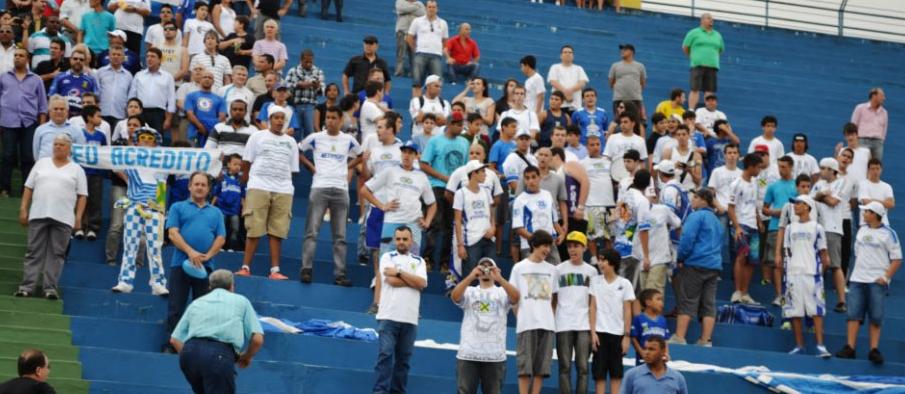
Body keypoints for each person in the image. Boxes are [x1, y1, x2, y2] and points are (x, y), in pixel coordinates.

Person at [14, 134, 85, 300]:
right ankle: (26, 287)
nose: (58, 147)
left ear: (69, 148)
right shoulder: (41, 163)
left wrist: (78, 217)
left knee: (57, 253)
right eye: (56, 144)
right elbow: (28, 187)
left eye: (61, 145)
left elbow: (82, 195)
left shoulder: (77, 169)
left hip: (64, 217)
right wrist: (23, 209)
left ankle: (50, 288)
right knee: (33, 251)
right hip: (38, 213)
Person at [169, 270, 265, 394]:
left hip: (189, 354)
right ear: (232, 286)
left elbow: (174, 339)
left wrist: (193, 355)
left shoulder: (197, 302)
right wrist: (246, 357)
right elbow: (257, 339)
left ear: (210, 287)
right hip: (219, 354)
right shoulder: (241, 301)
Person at [298, 106, 362, 286]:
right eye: (328, 117)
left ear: (341, 120)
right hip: (320, 186)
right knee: (312, 231)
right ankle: (306, 269)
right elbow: (299, 150)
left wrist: (347, 167)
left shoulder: (348, 139)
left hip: (341, 189)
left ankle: (340, 274)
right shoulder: (316, 137)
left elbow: (361, 155)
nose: (330, 121)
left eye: (334, 118)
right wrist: (311, 168)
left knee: (340, 236)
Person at [164, 172, 226, 351]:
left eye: (203, 185)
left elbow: (221, 238)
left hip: (205, 267)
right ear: (189, 186)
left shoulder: (216, 212)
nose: (199, 187)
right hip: (180, 265)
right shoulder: (178, 207)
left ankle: (197, 346)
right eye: (196, 184)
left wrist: (208, 256)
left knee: (203, 308)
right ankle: (172, 345)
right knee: (176, 306)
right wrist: (190, 252)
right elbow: (172, 233)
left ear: (208, 189)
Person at [235, 106, 299, 280]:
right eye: (276, 117)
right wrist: (248, 181)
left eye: (282, 118)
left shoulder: (291, 142)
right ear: (270, 119)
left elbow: (292, 168)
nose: (279, 121)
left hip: (283, 189)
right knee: (254, 227)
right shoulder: (257, 136)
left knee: (277, 230)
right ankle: (245, 267)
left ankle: (275, 270)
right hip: (259, 186)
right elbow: (246, 161)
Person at [835, 201, 901, 365]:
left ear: (875, 215)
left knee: (876, 316)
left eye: (867, 212)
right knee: (853, 315)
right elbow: (857, 252)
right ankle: (850, 347)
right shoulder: (861, 230)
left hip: (876, 281)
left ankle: (873, 349)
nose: (863, 214)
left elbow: (897, 258)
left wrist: (885, 277)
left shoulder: (889, 233)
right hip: (858, 278)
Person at [108, 128, 169, 296]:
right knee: (130, 245)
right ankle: (125, 281)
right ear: (137, 141)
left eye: (150, 139)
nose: (146, 141)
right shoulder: (130, 161)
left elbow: (162, 188)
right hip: (134, 207)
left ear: (155, 143)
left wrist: (161, 209)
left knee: (155, 247)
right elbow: (112, 163)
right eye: (143, 138)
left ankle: (158, 283)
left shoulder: (162, 163)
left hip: (154, 209)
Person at [372, 226, 428, 394]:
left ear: (411, 241)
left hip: (410, 318)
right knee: (385, 356)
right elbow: (391, 281)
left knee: (404, 361)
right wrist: (412, 281)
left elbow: (423, 284)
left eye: (405, 239)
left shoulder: (419, 261)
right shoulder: (387, 257)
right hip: (388, 315)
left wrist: (399, 272)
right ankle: (380, 391)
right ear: (395, 240)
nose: (401, 242)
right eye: (398, 239)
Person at [451, 257, 519, 394]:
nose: (486, 269)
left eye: (490, 266)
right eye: (482, 266)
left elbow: (516, 297)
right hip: (468, 355)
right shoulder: (470, 291)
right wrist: (471, 277)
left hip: (495, 356)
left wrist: (500, 279)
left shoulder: (501, 292)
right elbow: (455, 296)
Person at [780, 195, 832, 358]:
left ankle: (820, 346)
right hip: (793, 274)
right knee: (794, 312)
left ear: (807, 206)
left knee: (816, 311)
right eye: (794, 203)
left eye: (799, 203)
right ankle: (799, 345)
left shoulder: (817, 228)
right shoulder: (790, 228)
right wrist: (787, 273)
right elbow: (787, 252)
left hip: (812, 274)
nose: (795, 206)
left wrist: (820, 274)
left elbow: (824, 255)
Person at [671, 188, 722, 346]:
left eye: (695, 198)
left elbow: (687, 239)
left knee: (687, 300)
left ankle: (679, 337)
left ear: (703, 200)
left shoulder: (696, 216)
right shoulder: (716, 220)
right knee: (709, 304)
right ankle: (705, 340)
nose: (692, 201)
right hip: (714, 266)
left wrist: (680, 257)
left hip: (695, 264)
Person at [509, 230, 557, 394]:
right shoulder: (519, 267)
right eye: (544, 246)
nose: (547, 250)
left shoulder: (552, 269)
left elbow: (554, 298)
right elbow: (513, 297)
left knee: (541, 368)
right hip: (526, 324)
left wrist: (549, 316)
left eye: (549, 247)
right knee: (524, 367)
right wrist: (521, 316)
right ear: (534, 245)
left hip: (547, 325)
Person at [419, 111, 468, 269]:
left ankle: (445, 261)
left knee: (449, 226)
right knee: (435, 223)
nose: (461, 128)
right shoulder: (435, 141)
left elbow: (465, 167)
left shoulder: (464, 143)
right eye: (458, 125)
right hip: (437, 186)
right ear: (449, 124)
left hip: (456, 190)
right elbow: (424, 164)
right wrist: (444, 178)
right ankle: (427, 258)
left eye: (462, 125)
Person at [0, 48, 48, 197]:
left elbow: (42, 105)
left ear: (27, 59)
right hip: (8, 122)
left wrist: (41, 126)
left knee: (27, 157)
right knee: (7, 156)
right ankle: (5, 188)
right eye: (15, 55)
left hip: (30, 123)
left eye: (21, 55)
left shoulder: (36, 79)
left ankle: (26, 189)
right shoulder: (3, 77)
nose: (17, 58)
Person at [554, 231, 597, 394]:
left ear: (584, 248)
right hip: (563, 323)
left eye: (576, 246)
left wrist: (593, 329)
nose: (573, 250)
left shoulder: (592, 271)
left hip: (584, 324)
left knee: (583, 367)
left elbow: (594, 302)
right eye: (570, 246)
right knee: (564, 367)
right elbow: (554, 298)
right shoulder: (558, 269)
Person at [589, 247, 635, 394]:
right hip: (600, 334)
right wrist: (593, 333)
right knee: (599, 375)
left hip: (618, 335)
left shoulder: (625, 283)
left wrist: (626, 337)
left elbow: (628, 311)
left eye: (604, 260)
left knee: (616, 374)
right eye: (600, 260)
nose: (601, 263)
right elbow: (593, 308)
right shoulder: (595, 281)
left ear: (613, 262)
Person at [811, 158, 849, 312]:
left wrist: (821, 196)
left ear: (833, 170)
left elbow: (833, 202)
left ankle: (841, 301)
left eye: (825, 168)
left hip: (833, 229)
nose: (822, 171)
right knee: (818, 264)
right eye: (821, 168)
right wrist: (821, 196)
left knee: (835, 265)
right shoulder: (819, 184)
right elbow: (812, 199)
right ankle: (814, 296)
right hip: (817, 227)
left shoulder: (841, 183)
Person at [728, 153, 763, 305]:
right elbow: (730, 208)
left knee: (753, 261)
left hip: (753, 225)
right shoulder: (736, 183)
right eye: (759, 167)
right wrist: (736, 227)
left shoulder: (755, 182)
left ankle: (745, 292)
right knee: (741, 256)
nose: (760, 170)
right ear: (751, 166)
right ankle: (737, 292)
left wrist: (758, 220)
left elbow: (754, 204)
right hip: (741, 224)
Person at [452, 160, 496, 276]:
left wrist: (493, 228)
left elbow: (491, 213)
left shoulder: (486, 191)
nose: (485, 174)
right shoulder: (460, 193)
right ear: (473, 174)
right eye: (482, 171)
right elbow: (457, 220)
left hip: (488, 239)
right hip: (471, 240)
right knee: (471, 277)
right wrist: (460, 245)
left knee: (489, 275)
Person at [513, 166, 565, 263]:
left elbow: (554, 221)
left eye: (533, 177)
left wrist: (562, 234)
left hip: (550, 244)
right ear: (524, 180)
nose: (531, 181)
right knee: (532, 276)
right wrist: (537, 241)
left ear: (539, 178)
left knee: (555, 273)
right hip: (530, 245)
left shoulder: (547, 195)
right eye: (527, 178)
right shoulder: (520, 200)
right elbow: (518, 228)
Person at [75, 105, 106, 241]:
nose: (101, 119)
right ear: (89, 117)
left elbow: (105, 153)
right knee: (80, 199)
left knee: (95, 200)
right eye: (98, 116)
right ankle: (78, 226)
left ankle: (93, 228)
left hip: (96, 173)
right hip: (81, 172)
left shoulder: (101, 135)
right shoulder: (79, 133)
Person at [128, 48, 176, 135]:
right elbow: (132, 96)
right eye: (147, 56)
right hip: (141, 112)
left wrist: (168, 119)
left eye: (153, 56)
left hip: (159, 114)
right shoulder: (139, 75)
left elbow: (171, 99)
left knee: (156, 140)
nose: (149, 59)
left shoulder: (168, 77)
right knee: (138, 138)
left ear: (160, 60)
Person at [682, 13, 724, 110]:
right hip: (697, 65)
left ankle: (708, 109)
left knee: (710, 90)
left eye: (712, 19)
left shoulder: (717, 35)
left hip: (712, 66)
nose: (711, 20)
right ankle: (691, 109)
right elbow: (685, 47)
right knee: (695, 88)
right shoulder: (694, 33)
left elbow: (720, 50)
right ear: (702, 20)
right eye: (709, 18)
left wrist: (711, 58)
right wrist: (693, 58)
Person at [406, 0, 447, 97]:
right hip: (420, 54)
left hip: (436, 55)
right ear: (425, 8)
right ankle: (416, 105)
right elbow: (409, 37)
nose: (431, 9)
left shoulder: (443, 23)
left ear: (437, 9)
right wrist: (415, 49)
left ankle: (435, 106)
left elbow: (445, 40)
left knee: (437, 83)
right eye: (429, 7)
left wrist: (440, 49)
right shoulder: (417, 21)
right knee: (417, 82)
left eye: (433, 7)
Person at [621, 336, 688, 394]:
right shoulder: (631, 375)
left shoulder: (678, 378)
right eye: (645, 348)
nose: (647, 352)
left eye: (651, 349)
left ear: (663, 351)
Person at [33, 96, 86, 160]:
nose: (59, 111)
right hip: (45, 168)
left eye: (62, 109)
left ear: (67, 111)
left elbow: (82, 154)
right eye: (55, 109)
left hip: (69, 168)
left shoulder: (76, 130)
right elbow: (36, 154)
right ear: (49, 111)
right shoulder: (40, 130)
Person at [285, 49, 324, 138]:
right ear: (301, 60)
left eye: (310, 62)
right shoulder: (293, 71)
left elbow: (323, 89)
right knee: (296, 130)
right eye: (306, 62)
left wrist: (317, 87)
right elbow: (286, 86)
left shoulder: (318, 71)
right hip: (295, 105)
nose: (309, 64)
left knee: (309, 130)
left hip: (311, 106)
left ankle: (308, 151)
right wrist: (298, 84)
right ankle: (296, 150)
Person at [48, 49, 97, 117]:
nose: (78, 61)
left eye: (81, 59)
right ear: (70, 60)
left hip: (82, 117)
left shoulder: (91, 80)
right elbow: (52, 97)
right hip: (63, 116)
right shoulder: (60, 77)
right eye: (75, 59)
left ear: (85, 62)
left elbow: (95, 101)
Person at [212, 155, 246, 251]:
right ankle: (220, 247)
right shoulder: (222, 178)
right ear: (228, 164)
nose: (237, 167)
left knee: (235, 229)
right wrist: (211, 205)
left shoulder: (241, 180)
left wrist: (244, 208)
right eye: (235, 164)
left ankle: (231, 247)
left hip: (235, 211)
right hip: (222, 209)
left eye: (239, 165)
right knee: (221, 229)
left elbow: (243, 196)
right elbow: (216, 194)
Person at [185, 70, 226, 147]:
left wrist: (210, 129)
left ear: (213, 82)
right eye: (205, 77)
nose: (207, 79)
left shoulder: (220, 99)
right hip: (194, 132)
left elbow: (222, 117)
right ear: (200, 80)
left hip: (212, 134)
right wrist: (200, 127)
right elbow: (189, 114)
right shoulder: (191, 96)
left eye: (210, 78)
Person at [630, 289, 670, 366]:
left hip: (659, 361)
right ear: (648, 302)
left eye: (662, 300)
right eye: (658, 299)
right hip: (643, 360)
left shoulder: (663, 320)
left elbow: (665, 339)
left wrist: (666, 353)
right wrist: (641, 352)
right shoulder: (639, 319)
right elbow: (634, 338)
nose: (661, 303)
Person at [608, 43, 646, 119]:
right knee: (619, 120)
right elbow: (611, 82)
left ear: (631, 52)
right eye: (621, 50)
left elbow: (643, 82)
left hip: (635, 99)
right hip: (619, 99)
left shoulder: (640, 66)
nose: (622, 51)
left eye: (625, 50)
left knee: (636, 121)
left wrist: (635, 92)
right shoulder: (615, 65)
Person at [547, 45, 588, 114]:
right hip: (559, 106)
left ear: (573, 56)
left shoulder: (579, 68)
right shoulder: (555, 67)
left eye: (570, 52)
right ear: (561, 55)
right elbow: (553, 82)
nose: (567, 54)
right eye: (565, 52)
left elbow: (582, 82)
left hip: (575, 106)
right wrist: (566, 93)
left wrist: (570, 91)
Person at [96, 45, 132, 123]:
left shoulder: (128, 76)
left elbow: (130, 96)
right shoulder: (100, 72)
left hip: (120, 115)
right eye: (113, 54)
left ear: (123, 58)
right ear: (109, 56)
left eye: (118, 55)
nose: (116, 57)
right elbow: (96, 93)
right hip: (101, 114)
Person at [850, 87, 887, 160]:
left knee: (876, 166)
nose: (884, 98)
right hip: (862, 141)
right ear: (874, 96)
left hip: (877, 143)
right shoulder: (860, 108)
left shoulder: (884, 112)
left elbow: (884, 128)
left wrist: (881, 140)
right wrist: (854, 140)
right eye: (882, 96)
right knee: (861, 163)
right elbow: (853, 125)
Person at [409, 74, 450, 138]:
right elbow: (418, 119)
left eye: (440, 87)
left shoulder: (445, 103)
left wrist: (425, 115)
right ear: (428, 86)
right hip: (419, 139)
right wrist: (437, 117)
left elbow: (445, 122)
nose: (439, 89)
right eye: (436, 86)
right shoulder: (416, 101)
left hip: (437, 140)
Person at [858, 159, 894, 226]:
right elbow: (866, 202)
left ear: (881, 170)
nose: (875, 171)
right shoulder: (863, 184)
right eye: (872, 169)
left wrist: (872, 200)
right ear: (868, 170)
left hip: (883, 223)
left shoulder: (887, 186)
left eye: (877, 168)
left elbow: (891, 204)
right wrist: (884, 202)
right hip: (866, 224)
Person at [394, 0, 424, 76]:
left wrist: (407, 10)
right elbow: (400, 9)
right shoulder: (400, 1)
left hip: (414, 33)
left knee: (413, 54)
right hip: (402, 32)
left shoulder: (420, 3)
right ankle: (399, 72)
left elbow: (423, 14)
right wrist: (415, 8)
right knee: (401, 53)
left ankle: (414, 72)